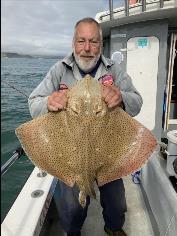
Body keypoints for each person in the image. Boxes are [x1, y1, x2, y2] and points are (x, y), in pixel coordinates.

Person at [28, 17, 143, 236]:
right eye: (82, 41)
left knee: (117, 202)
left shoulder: (114, 70)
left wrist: (122, 98)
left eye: (93, 41)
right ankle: (73, 232)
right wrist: (48, 102)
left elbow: (137, 102)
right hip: (68, 153)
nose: (87, 48)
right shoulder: (58, 71)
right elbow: (33, 103)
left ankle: (113, 228)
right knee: (71, 207)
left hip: (109, 152)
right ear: (73, 43)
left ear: (101, 44)